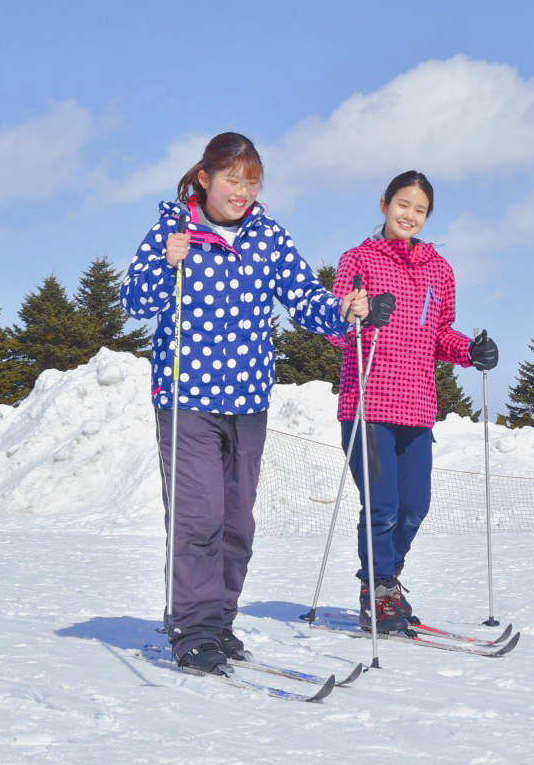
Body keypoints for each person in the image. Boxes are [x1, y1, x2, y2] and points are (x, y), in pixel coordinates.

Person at [120, 132, 375, 674]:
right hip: (187, 397)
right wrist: (167, 264)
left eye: (252, 180)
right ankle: (193, 628)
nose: (242, 190)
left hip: (249, 399)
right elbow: (134, 299)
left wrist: (344, 310)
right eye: (232, 179)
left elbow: (305, 298)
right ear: (206, 178)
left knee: (237, 524)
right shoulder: (174, 229)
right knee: (198, 518)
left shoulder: (268, 236)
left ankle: (219, 621)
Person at [329, 170, 499, 632]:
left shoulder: (439, 271)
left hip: (417, 405)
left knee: (414, 506)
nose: (410, 215)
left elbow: (440, 333)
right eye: (402, 204)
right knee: (381, 506)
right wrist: (359, 317)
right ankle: (378, 589)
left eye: (420, 209)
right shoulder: (357, 260)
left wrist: (470, 351)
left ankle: (385, 582)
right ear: (384, 204)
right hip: (368, 405)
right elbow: (334, 326)